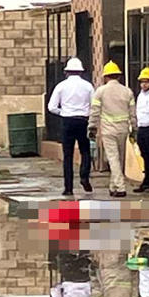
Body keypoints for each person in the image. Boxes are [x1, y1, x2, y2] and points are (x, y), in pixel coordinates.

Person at [47, 57, 95, 196]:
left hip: (67, 121)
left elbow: (51, 107)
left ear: (66, 72)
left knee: (67, 155)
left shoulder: (61, 86)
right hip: (83, 120)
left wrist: (64, 112)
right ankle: (84, 176)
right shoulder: (88, 86)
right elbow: (94, 106)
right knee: (85, 151)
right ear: (81, 72)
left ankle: (68, 188)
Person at [88, 61, 137, 198]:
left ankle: (120, 187)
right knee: (120, 158)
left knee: (112, 158)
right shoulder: (127, 91)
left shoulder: (100, 92)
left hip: (108, 129)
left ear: (106, 77)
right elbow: (133, 112)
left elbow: (95, 111)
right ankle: (113, 186)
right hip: (123, 128)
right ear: (119, 77)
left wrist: (92, 127)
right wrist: (134, 127)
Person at [133, 67, 149, 193]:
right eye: (142, 82)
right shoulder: (140, 95)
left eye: (146, 82)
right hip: (142, 127)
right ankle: (148, 179)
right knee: (145, 155)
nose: (143, 84)